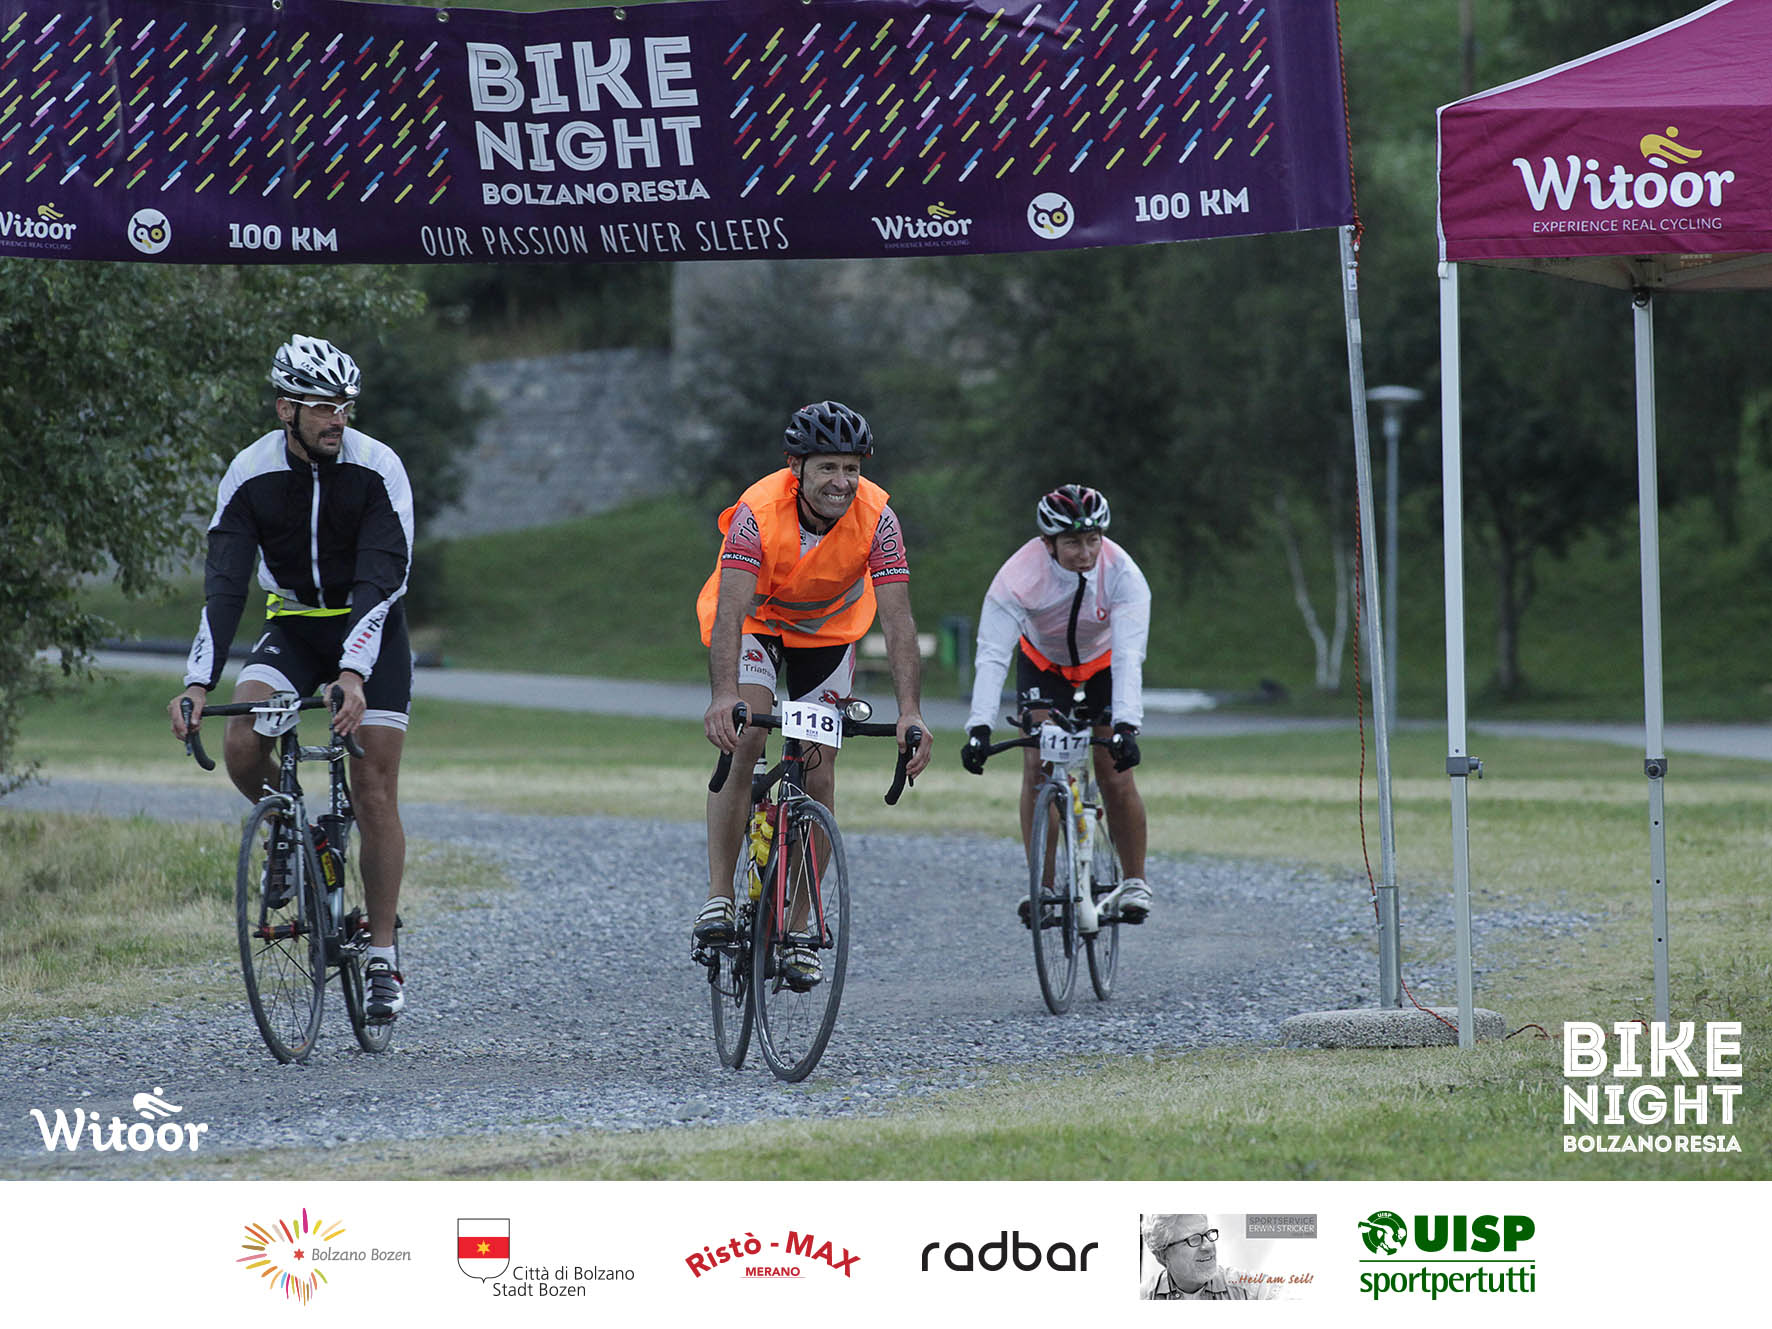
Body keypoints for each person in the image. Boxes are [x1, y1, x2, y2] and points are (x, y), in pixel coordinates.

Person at [168, 335, 415, 1022]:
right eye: (323, 407)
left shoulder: (378, 468)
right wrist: (197, 683)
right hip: (297, 626)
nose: (338, 418)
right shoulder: (250, 473)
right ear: (286, 409)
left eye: (345, 406)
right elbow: (225, 585)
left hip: (372, 626)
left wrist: (354, 672)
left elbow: (382, 576)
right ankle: (297, 831)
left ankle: (382, 955)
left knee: (373, 787)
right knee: (243, 743)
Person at [694, 400, 932, 985]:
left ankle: (799, 928)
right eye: (828, 467)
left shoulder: (879, 518)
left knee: (819, 770)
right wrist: (724, 695)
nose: (842, 482)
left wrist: (910, 712)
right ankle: (720, 898)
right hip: (756, 625)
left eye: (852, 468)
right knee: (749, 734)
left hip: (827, 635)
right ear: (795, 467)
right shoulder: (756, 511)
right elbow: (730, 611)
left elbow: (898, 622)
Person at [960, 484, 1154, 923]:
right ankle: (1043, 887)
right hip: (1043, 665)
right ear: (1047, 543)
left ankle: (1134, 880)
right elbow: (993, 654)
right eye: (1072, 543)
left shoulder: (1123, 574)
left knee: (1115, 771)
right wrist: (979, 728)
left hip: (1103, 664)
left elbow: (1128, 655)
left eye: (1092, 540)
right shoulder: (1017, 577)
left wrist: (1127, 725)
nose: (1085, 553)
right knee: (1038, 767)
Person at [1139, 1215, 1276, 1300]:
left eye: (1207, 1234)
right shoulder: (1143, 1297)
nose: (1208, 1246)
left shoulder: (1248, 1289)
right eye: (1193, 1239)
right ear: (1162, 1255)